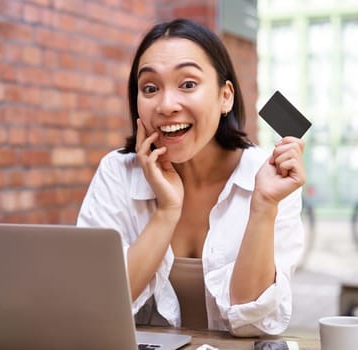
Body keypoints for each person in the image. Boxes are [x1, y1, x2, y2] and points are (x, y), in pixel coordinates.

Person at [76, 18, 306, 337]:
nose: (167, 105)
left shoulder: (269, 179)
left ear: (226, 96)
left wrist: (264, 205)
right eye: (150, 88)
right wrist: (167, 211)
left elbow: (251, 321)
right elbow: (96, 307)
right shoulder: (118, 173)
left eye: (188, 84)